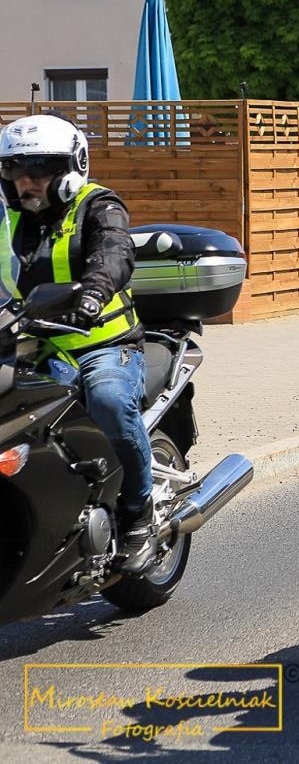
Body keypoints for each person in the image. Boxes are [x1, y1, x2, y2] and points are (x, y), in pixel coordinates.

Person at [0, 115, 156, 572]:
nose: (26, 180)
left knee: (107, 399)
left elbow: (114, 251)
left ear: (71, 166)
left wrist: (93, 292)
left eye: (39, 169)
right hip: (29, 344)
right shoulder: (5, 217)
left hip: (102, 341)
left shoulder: (98, 205)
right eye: (14, 170)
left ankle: (138, 512)